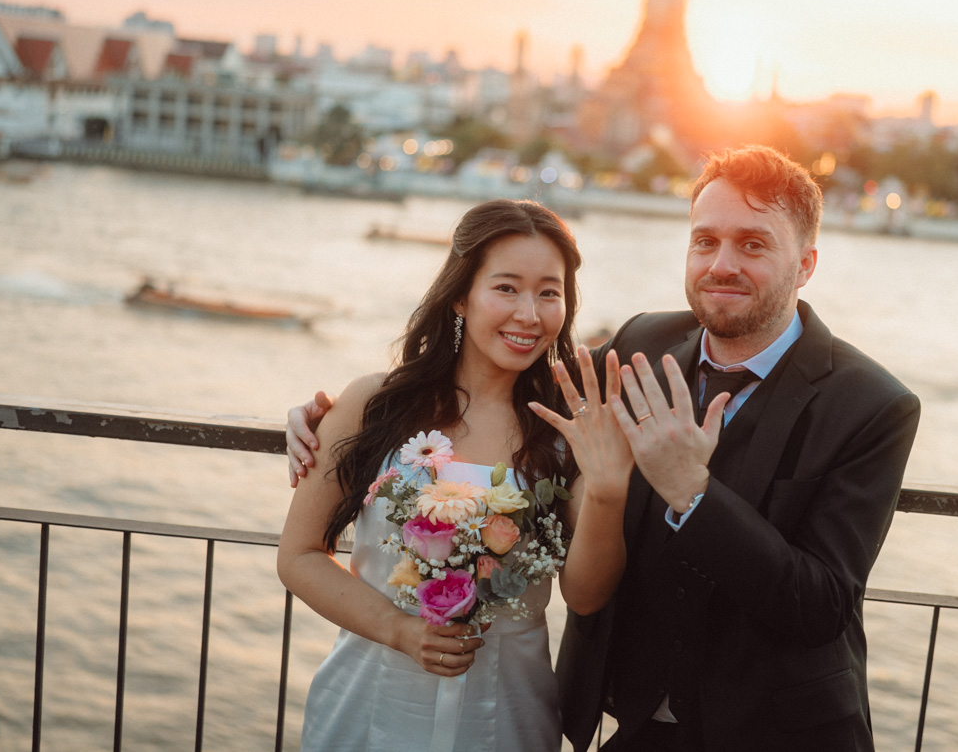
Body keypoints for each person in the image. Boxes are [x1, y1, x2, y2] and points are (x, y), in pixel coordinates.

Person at [288, 146, 920, 751]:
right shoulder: (641, 343)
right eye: (706, 241)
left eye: (753, 244)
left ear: (806, 263)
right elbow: (515, 369)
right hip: (632, 723)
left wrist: (692, 495)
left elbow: (822, 605)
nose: (722, 263)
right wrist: (327, 417)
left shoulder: (873, 405)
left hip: (772, 731)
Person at [277, 198, 654, 752]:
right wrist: (400, 630)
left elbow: (585, 595)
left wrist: (607, 487)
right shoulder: (371, 404)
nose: (530, 313)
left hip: (506, 717)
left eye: (550, 292)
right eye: (506, 288)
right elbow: (299, 556)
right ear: (460, 295)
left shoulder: (567, 430)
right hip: (367, 705)